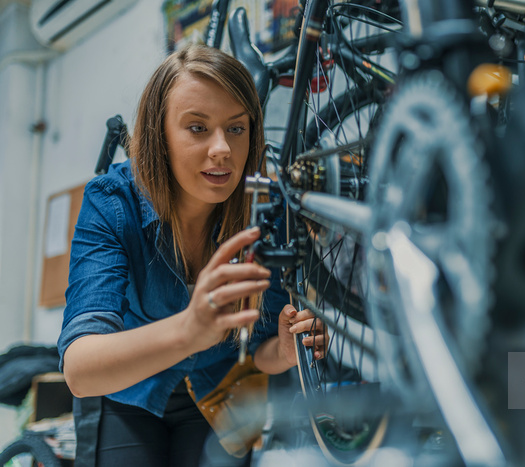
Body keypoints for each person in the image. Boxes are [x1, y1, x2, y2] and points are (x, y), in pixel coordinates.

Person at [57, 44, 326, 466]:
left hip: (218, 393)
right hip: (128, 393)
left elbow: (258, 349)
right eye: (197, 128)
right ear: (158, 134)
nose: (222, 148)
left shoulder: (266, 210)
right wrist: (189, 329)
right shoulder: (112, 202)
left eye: (236, 128)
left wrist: (286, 352)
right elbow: (80, 369)